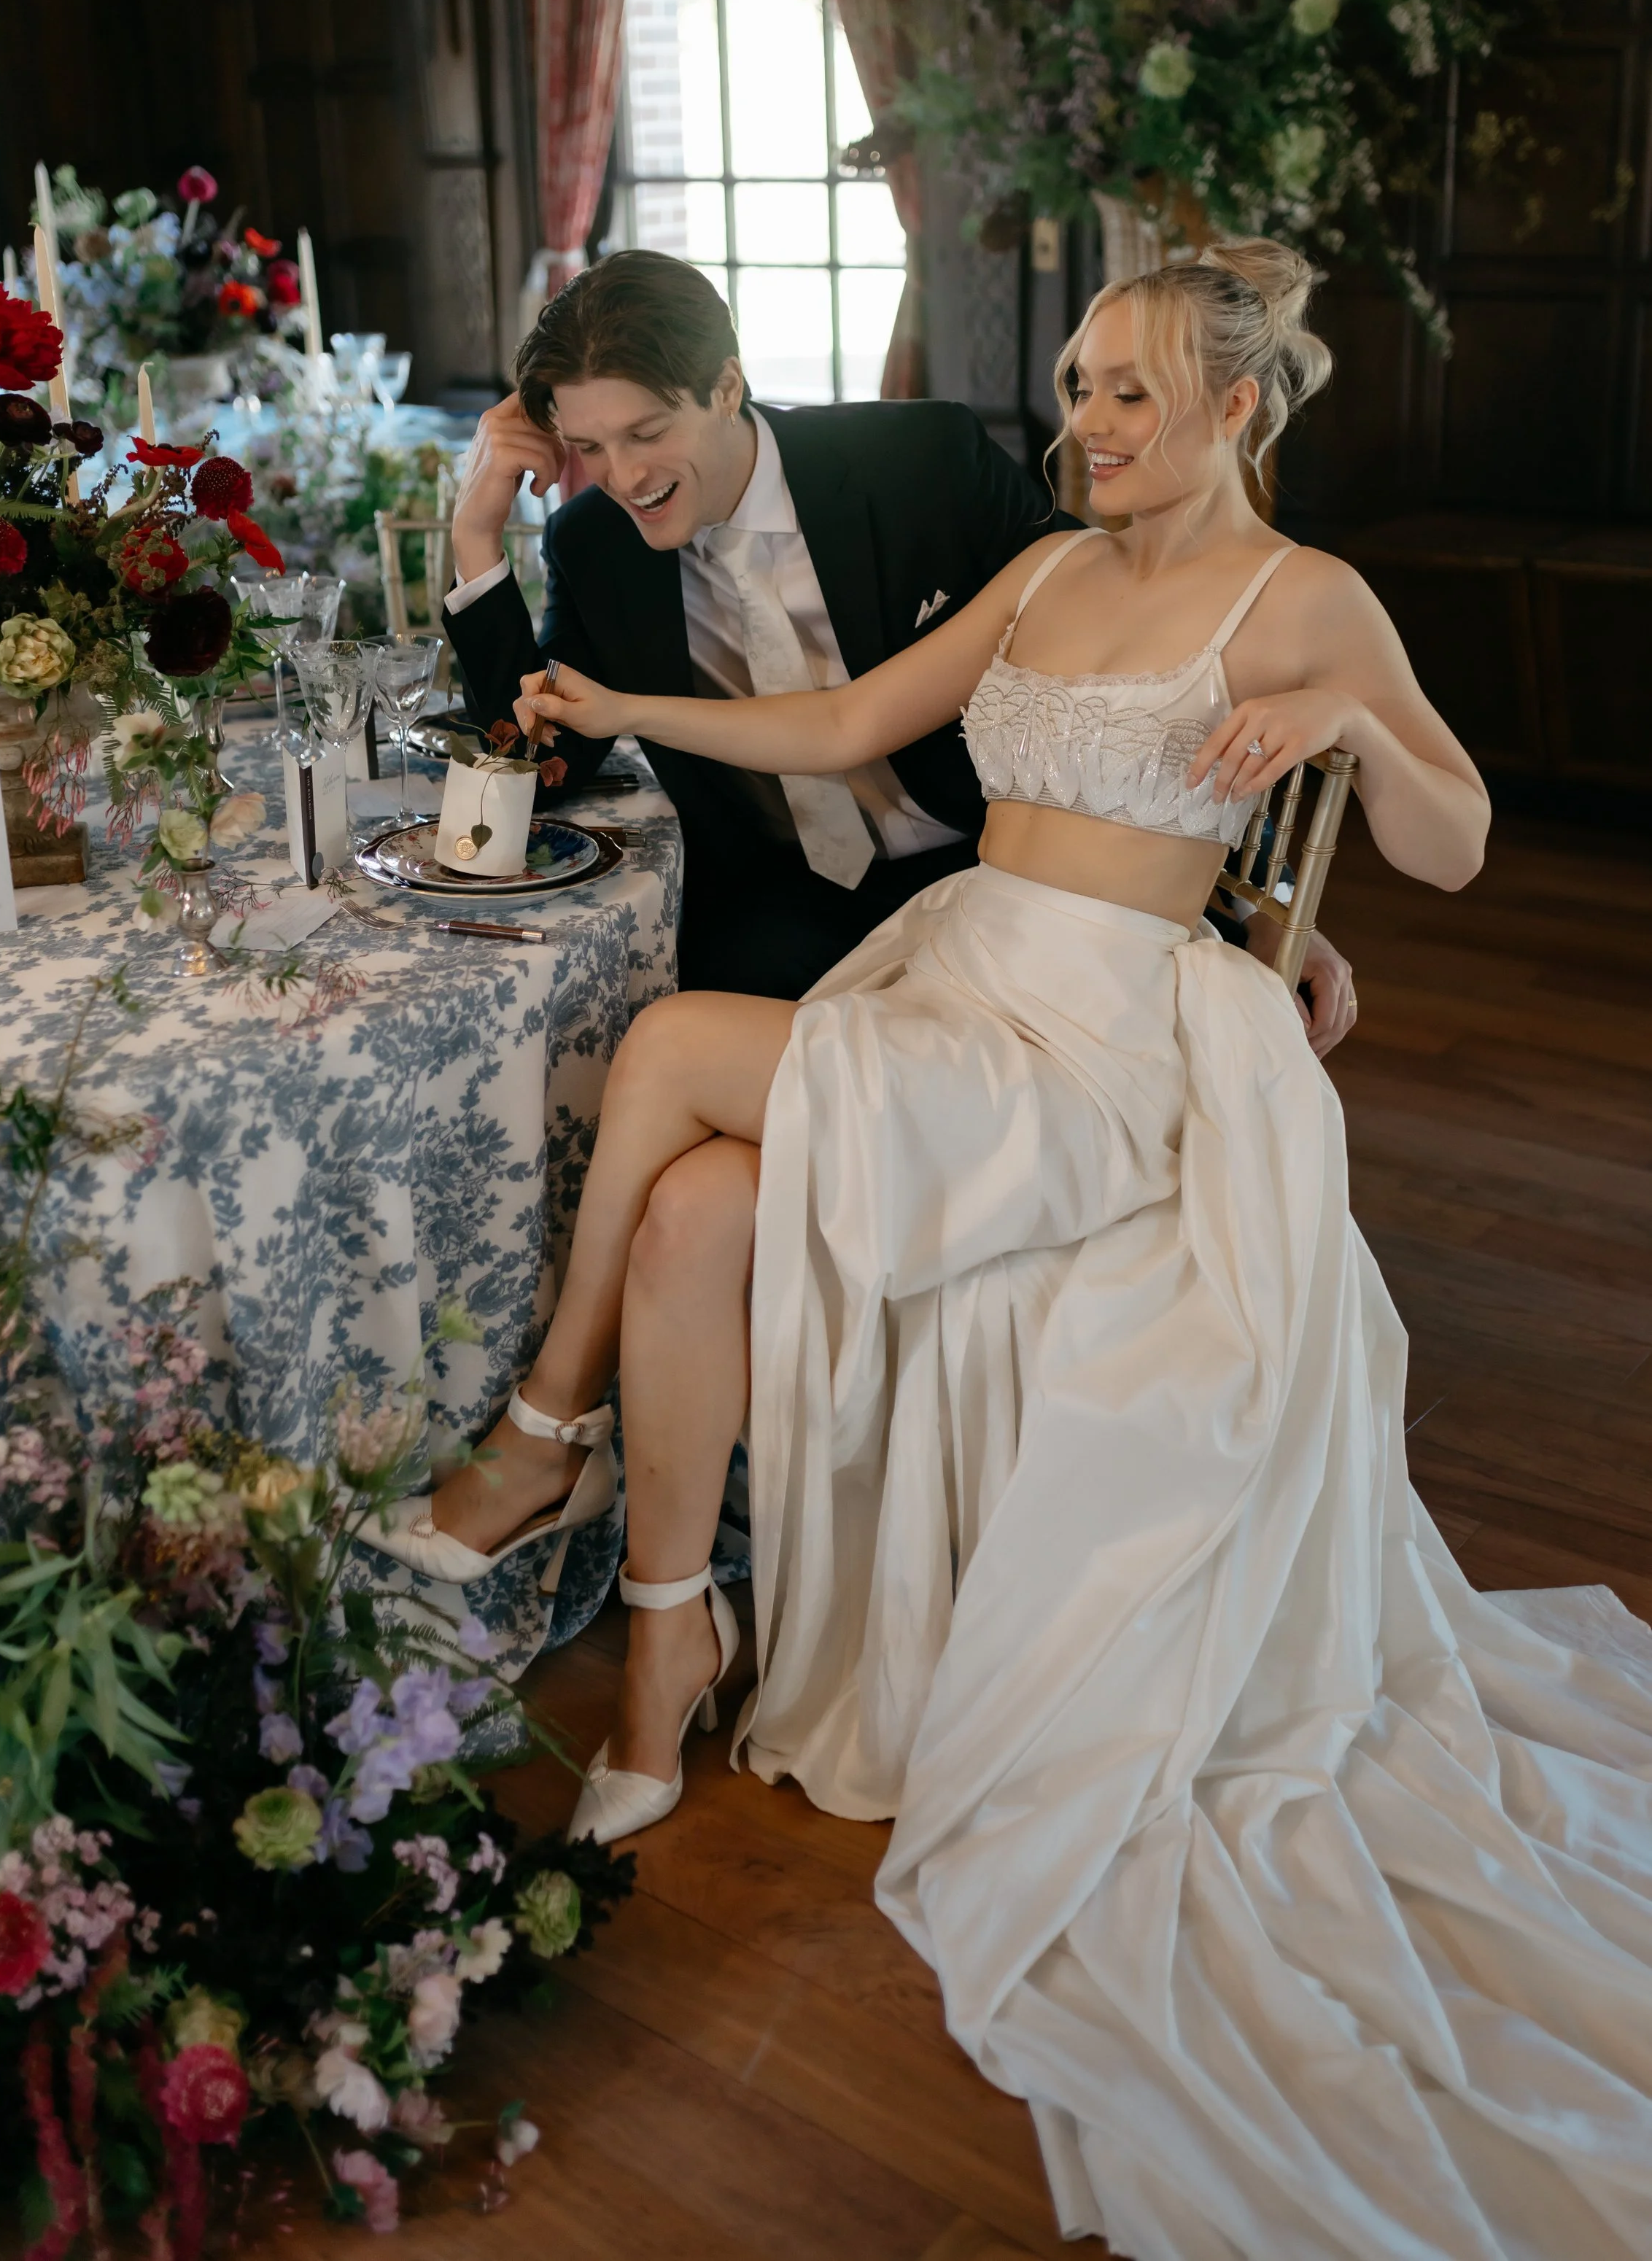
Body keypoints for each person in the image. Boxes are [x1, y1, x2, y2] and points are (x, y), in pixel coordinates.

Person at [376, 240, 1652, 2257]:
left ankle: (543, 1426)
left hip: (1106, 1042)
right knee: (698, 1190)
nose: (1087, 421)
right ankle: (660, 1639)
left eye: (1131, 389)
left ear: (1236, 407)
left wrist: (1346, 714)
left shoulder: (1297, 593)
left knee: (667, 1049)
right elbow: (844, 724)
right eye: (1076, 382)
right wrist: (610, 692)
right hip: (957, 975)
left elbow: (1454, 840)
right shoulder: (1051, 574)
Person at [441, 248, 1354, 1037]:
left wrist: (1255, 895)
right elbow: (540, 756)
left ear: (726, 385)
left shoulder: (922, 463)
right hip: (781, 908)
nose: (624, 478)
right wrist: (477, 541)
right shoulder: (593, 545)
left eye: (646, 433)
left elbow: (1153, 656)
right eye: (590, 449)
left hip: (997, 875)